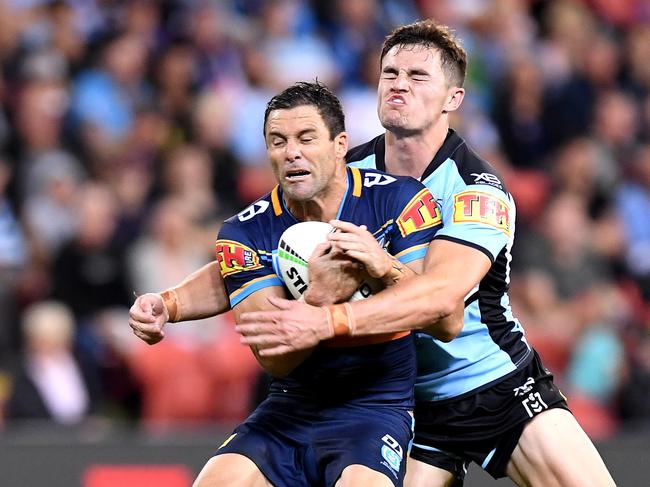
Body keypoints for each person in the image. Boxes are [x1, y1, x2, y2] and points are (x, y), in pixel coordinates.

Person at [129, 21, 616, 487]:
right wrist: (170, 303)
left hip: (486, 382)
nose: (398, 85)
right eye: (390, 73)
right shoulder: (342, 168)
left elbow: (441, 298)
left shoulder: (474, 189)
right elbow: (265, 254)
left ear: (454, 98)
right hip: (392, 397)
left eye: (417, 75)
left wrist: (328, 318)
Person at [135, 81, 450, 487]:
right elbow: (274, 359)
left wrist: (383, 266)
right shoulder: (245, 231)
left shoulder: (400, 202)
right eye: (277, 141)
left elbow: (441, 315)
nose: (291, 152)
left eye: (306, 138)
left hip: (376, 406)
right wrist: (319, 296)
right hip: (292, 406)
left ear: (340, 144)